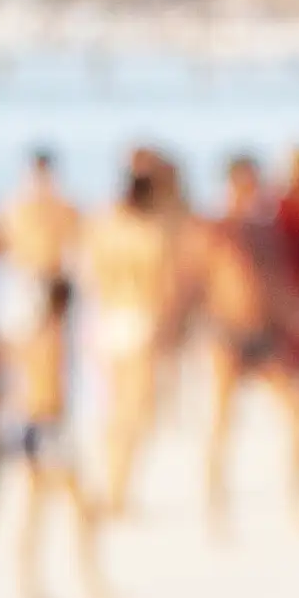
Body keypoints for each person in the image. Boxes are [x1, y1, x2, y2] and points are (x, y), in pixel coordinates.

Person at [195, 147, 299, 533]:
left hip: (265, 335)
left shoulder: (265, 230)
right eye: (245, 185)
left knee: (298, 413)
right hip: (228, 336)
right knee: (224, 423)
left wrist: (298, 315)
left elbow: (275, 283)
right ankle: (217, 504)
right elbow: (196, 283)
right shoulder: (217, 229)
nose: (251, 192)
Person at [0, 149, 108, 598]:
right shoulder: (39, 327)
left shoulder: (47, 213)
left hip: (40, 421)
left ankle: (40, 585)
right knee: (69, 505)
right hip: (42, 423)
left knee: (44, 506)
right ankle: (74, 581)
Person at [78, 152, 187, 517]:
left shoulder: (103, 224)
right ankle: (119, 489)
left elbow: (89, 273)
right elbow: (166, 286)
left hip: (106, 317)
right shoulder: (154, 232)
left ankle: (113, 484)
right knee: (136, 413)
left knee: (115, 408)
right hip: (140, 319)